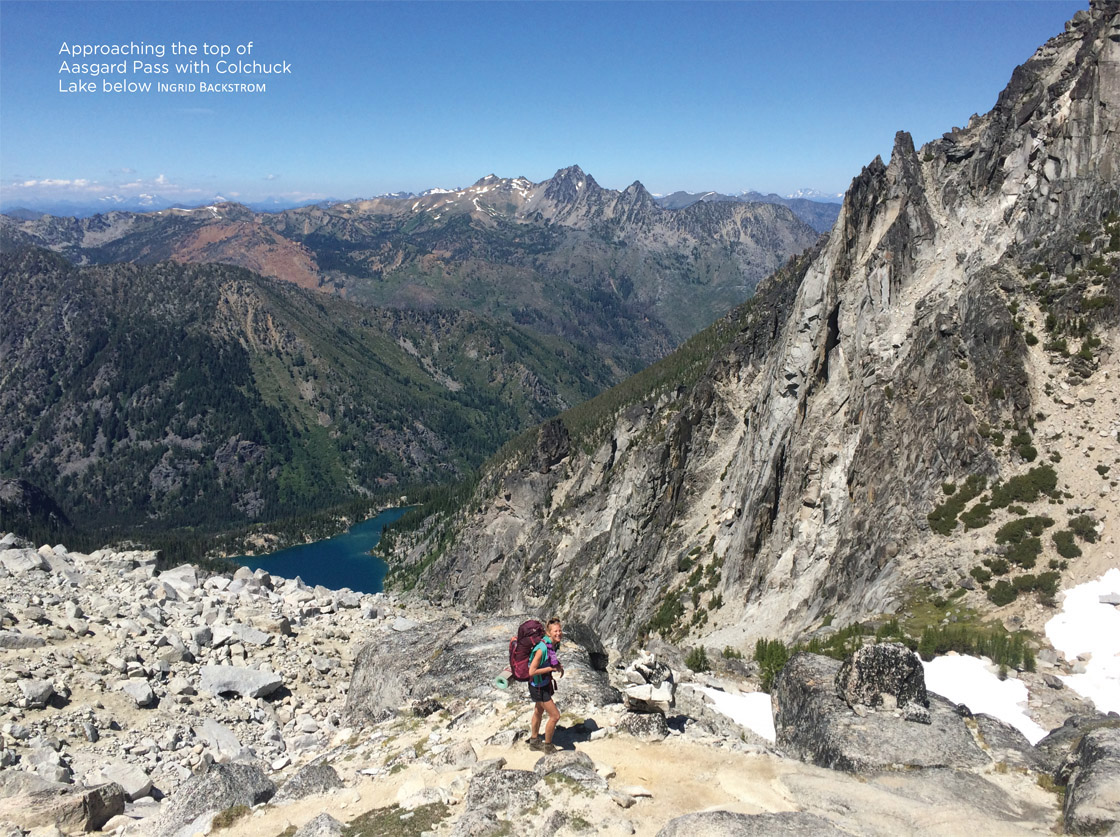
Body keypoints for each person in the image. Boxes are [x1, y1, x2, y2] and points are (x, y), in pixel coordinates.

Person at [527, 617, 564, 752]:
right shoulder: (542, 649)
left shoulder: (553, 644)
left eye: (560, 630)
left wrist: (558, 666)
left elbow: (551, 660)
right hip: (538, 686)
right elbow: (532, 671)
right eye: (555, 631)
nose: (558, 633)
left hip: (541, 683)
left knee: (539, 711)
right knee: (555, 716)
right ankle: (548, 746)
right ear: (548, 633)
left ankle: (534, 740)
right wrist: (550, 669)